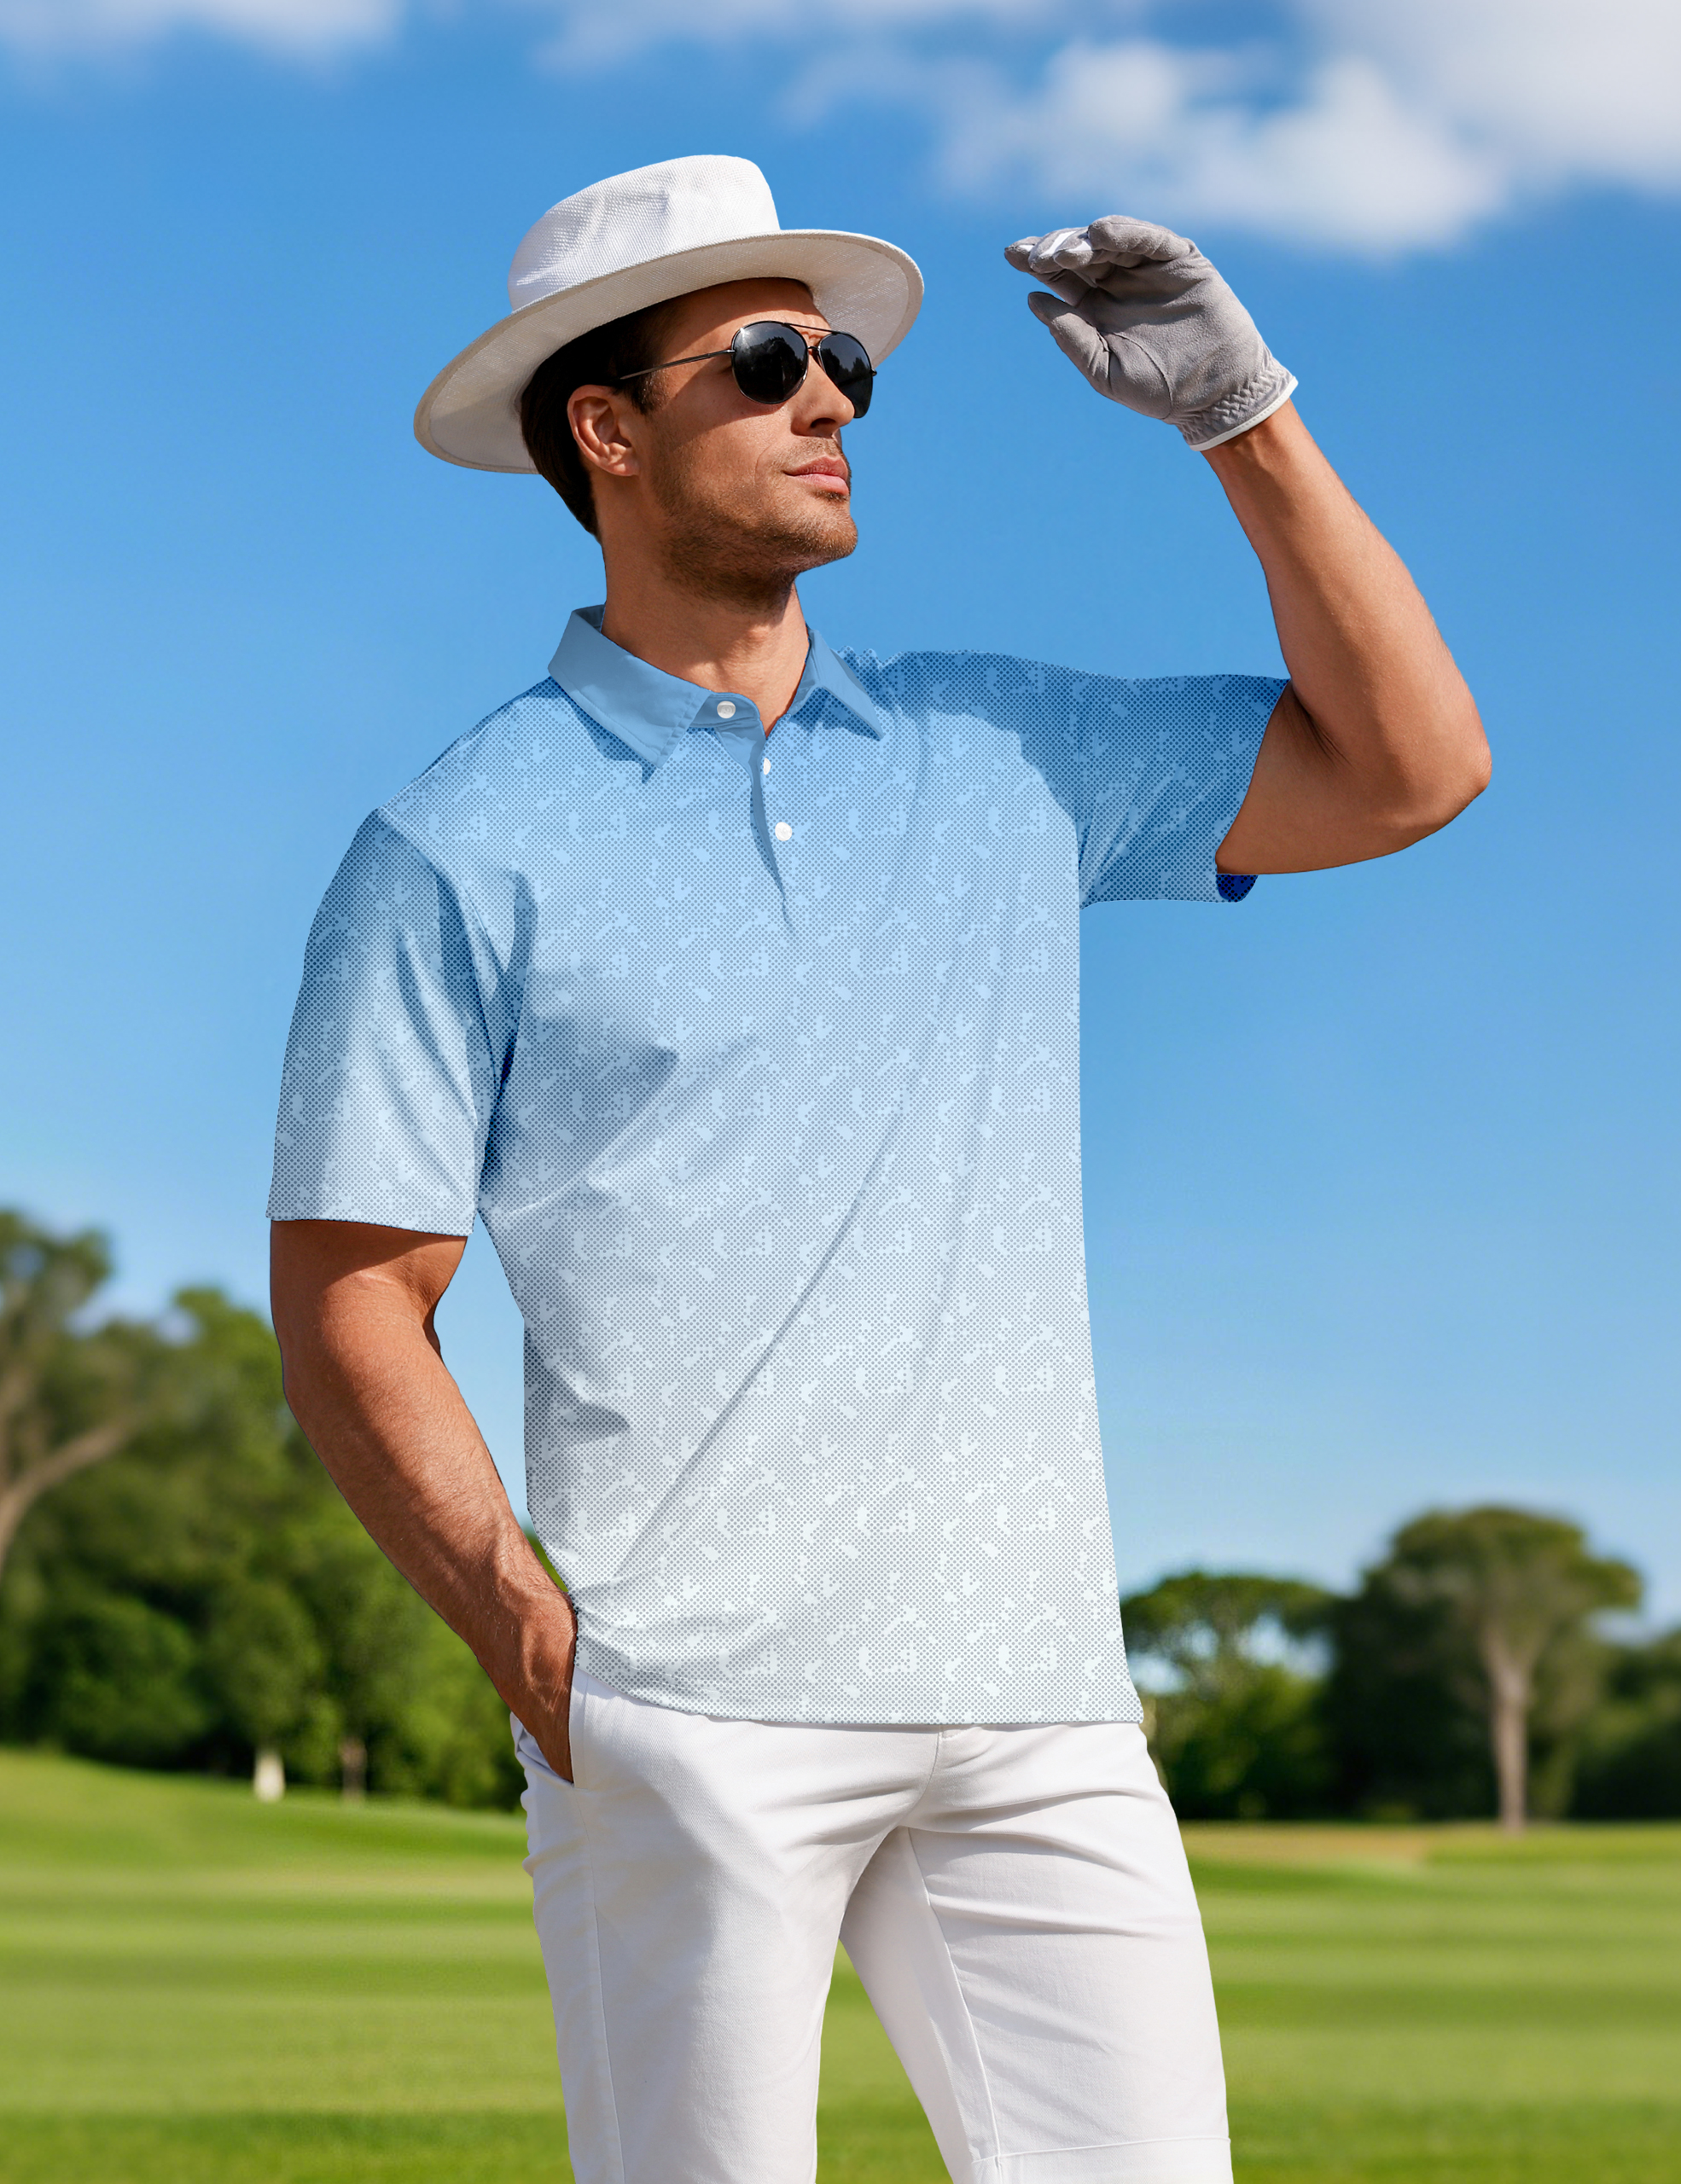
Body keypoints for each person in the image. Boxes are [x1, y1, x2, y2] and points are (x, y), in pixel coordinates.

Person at [269, 154, 1486, 2184]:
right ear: (607, 431)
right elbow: (352, 1298)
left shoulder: (1001, 748)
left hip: (1037, 1701)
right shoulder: (454, 845)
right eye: (765, 362)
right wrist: (531, 1640)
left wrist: (1242, 418)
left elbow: (1412, 767)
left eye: (839, 358)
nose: (830, 392)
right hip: (686, 1715)